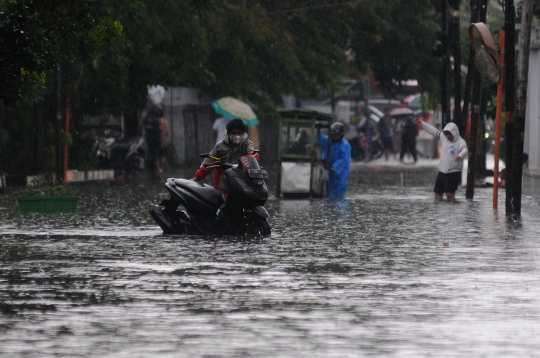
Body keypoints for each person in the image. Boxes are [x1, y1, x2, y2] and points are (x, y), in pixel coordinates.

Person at [191, 118, 258, 194]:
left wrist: (249, 160)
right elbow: (207, 164)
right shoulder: (220, 147)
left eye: (239, 133)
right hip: (223, 184)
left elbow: (253, 155)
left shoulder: (247, 144)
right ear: (228, 133)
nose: (237, 136)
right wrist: (197, 177)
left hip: (242, 182)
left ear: (243, 133)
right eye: (234, 133)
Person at [415, 119, 468, 201]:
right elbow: (433, 131)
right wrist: (422, 123)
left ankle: (453, 211)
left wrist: (460, 155)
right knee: (437, 193)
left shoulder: (461, 142)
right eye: (447, 134)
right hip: (442, 171)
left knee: (449, 194)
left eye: (450, 134)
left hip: (454, 172)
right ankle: (440, 212)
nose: (448, 136)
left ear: (455, 133)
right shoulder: (444, 137)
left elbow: (465, 150)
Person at [316, 122, 351, 198]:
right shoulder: (329, 141)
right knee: (327, 198)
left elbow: (343, 160)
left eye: (337, 135)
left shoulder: (345, 145)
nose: (335, 136)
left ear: (341, 134)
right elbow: (321, 139)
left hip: (340, 177)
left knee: (338, 201)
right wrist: (318, 130)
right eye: (333, 134)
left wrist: (333, 168)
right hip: (329, 174)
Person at [142, 104, 163, 173]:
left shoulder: (146, 119)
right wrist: (159, 140)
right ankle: (156, 170)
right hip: (154, 140)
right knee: (154, 155)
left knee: (150, 154)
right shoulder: (155, 120)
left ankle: (150, 169)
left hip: (149, 140)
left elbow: (144, 125)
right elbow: (158, 131)